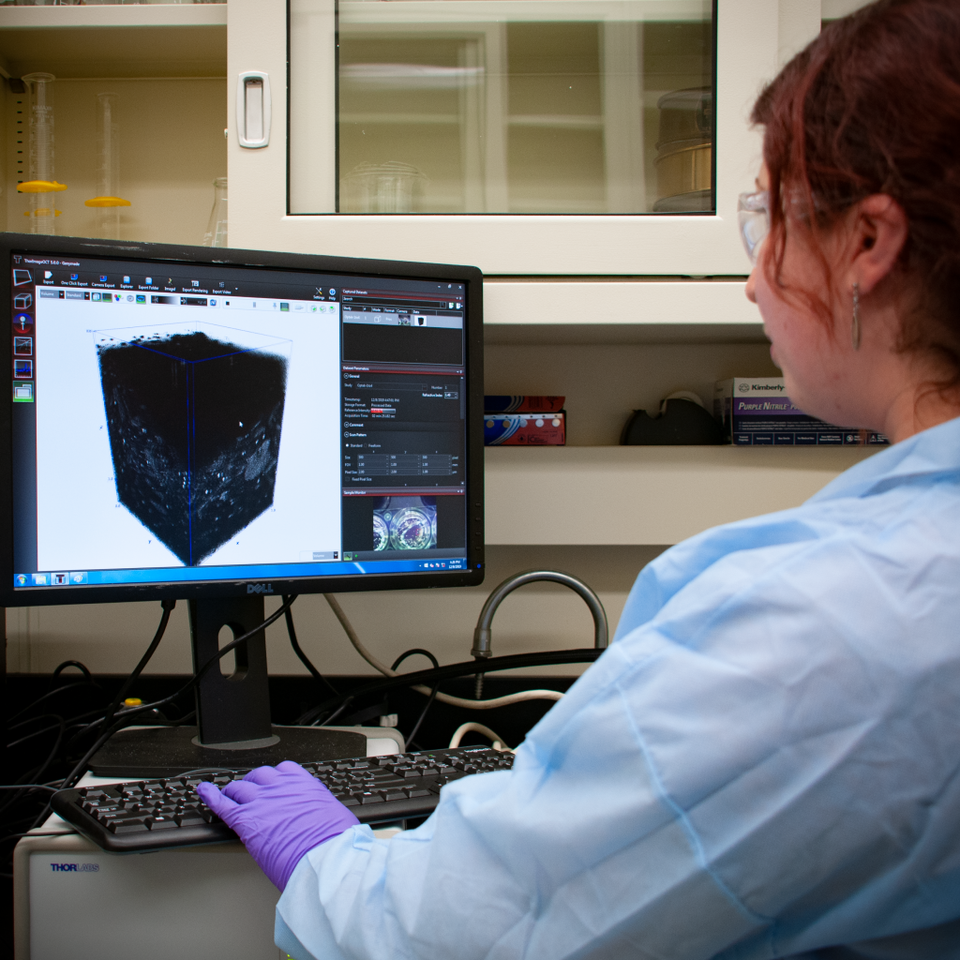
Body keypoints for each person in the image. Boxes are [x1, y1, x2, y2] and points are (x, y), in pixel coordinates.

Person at [198, 1, 960, 956]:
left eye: (767, 213)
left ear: (868, 244)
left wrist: (324, 855)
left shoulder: (817, 629)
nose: (754, 279)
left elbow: (464, 937)